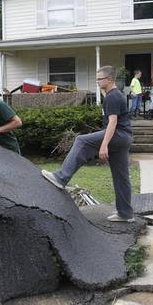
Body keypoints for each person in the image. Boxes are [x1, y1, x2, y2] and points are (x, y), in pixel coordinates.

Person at [41, 66, 134, 222]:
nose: (97, 82)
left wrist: (104, 145)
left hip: (117, 135)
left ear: (109, 79)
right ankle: (125, 214)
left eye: (99, 79)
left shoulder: (112, 96)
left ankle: (61, 178)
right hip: (124, 138)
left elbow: (113, 122)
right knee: (121, 177)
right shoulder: (117, 95)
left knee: (81, 140)